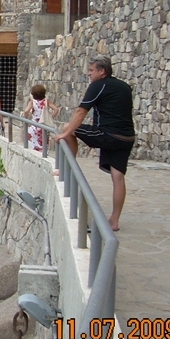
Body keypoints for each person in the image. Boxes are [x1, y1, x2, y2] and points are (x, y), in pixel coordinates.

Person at [55, 56, 135, 232]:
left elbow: (81, 111)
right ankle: (114, 221)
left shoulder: (99, 85)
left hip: (108, 134)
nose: (89, 74)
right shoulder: (124, 86)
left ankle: (68, 168)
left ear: (102, 71)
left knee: (68, 127)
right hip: (127, 137)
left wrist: (65, 134)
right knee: (118, 177)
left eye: (91, 70)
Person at [23, 85, 59, 152]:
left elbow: (26, 111)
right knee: (43, 147)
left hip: (34, 125)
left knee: (32, 148)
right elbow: (56, 109)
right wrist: (50, 118)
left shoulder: (32, 102)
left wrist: (26, 119)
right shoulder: (46, 101)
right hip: (44, 125)